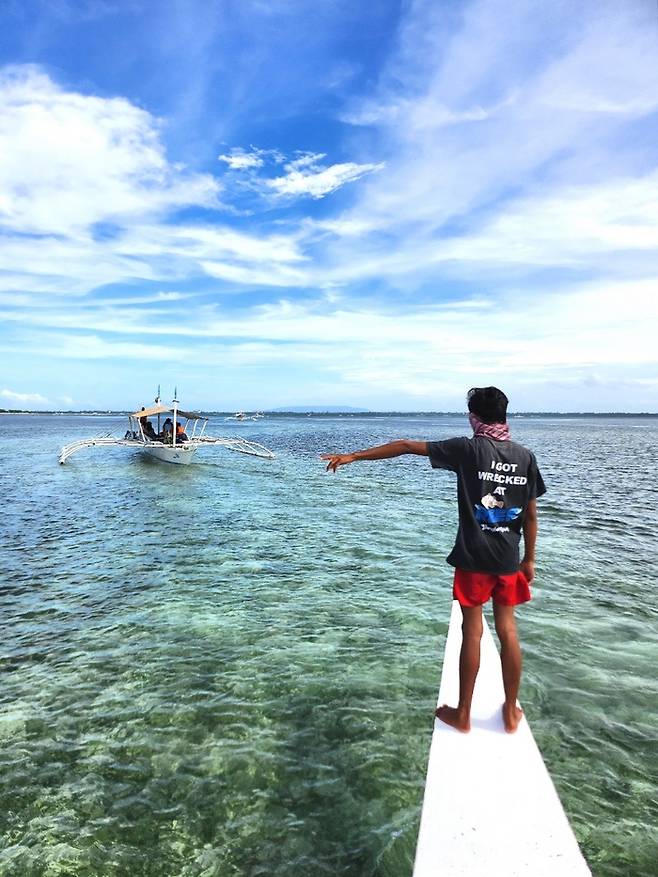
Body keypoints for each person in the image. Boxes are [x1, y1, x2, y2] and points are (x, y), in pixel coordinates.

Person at [321, 386, 546, 734]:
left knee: (472, 633)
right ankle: (510, 712)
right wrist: (529, 560)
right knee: (509, 631)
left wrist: (353, 456)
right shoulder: (525, 457)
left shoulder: (467, 449)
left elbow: (405, 446)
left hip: (472, 559)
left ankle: (463, 714)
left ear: (474, 417)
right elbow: (530, 516)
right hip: (507, 559)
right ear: (504, 415)